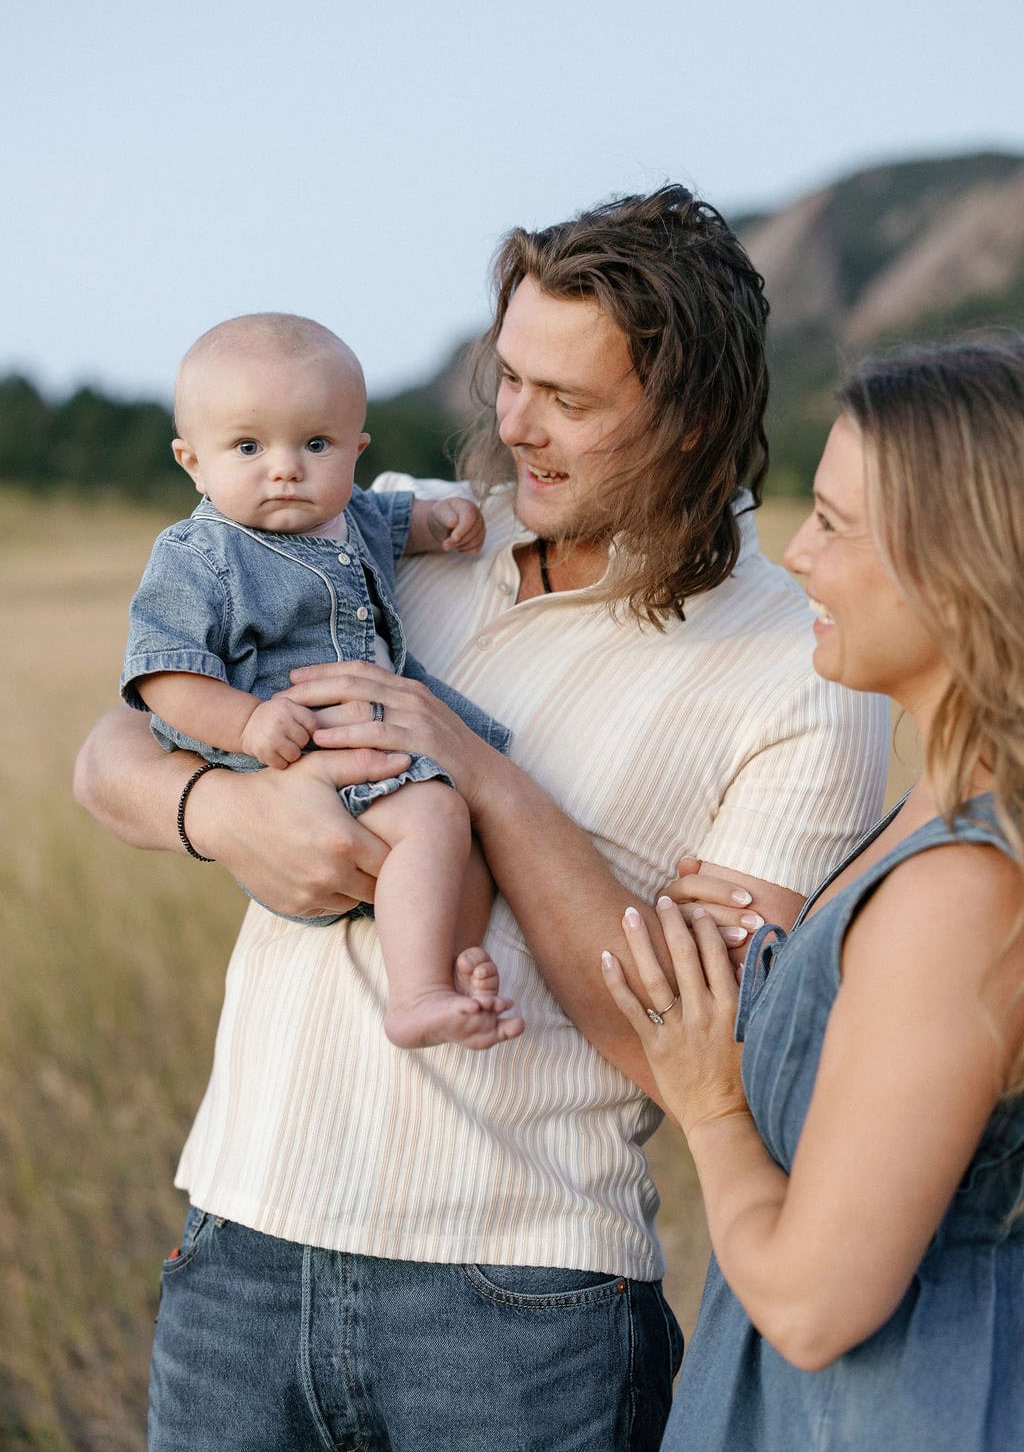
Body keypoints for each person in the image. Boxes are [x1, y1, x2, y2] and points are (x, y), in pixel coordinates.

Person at [75, 187, 889, 1452]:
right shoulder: (386, 530)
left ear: (690, 423)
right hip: (236, 1251)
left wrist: (485, 778)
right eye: (507, 377)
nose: (514, 428)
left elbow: (699, 1056)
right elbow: (109, 749)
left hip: (517, 1309)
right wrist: (222, 812)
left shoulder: (804, 670)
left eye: (568, 402)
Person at [603, 338, 1024, 1452]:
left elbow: (809, 1304)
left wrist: (709, 1101)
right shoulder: (926, 822)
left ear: (959, 562)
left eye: (834, 525)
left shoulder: (962, 891)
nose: (794, 554)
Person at [121, 312, 522, 1051]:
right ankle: (418, 994)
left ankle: (458, 965)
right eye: (248, 446)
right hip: (301, 757)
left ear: (356, 450)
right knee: (433, 821)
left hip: (371, 732)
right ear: (192, 462)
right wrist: (246, 725)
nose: (286, 468)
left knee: (464, 829)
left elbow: (401, 521)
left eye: (315, 444)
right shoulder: (199, 554)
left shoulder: (353, 514)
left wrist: (443, 520)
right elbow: (164, 676)